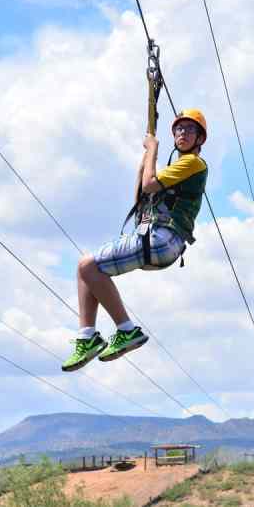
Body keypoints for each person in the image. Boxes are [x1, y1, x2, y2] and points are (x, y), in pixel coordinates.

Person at [62, 109, 209, 371]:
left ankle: (125, 330)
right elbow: (142, 196)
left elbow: (151, 184)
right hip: (159, 241)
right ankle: (88, 336)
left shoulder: (193, 164)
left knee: (87, 266)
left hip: (163, 239)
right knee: (88, 269)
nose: (182, 133)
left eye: (189, 130)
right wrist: (144, 161)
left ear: (200, 139)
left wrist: (152, 149)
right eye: (179, 129)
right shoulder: (176, 171)